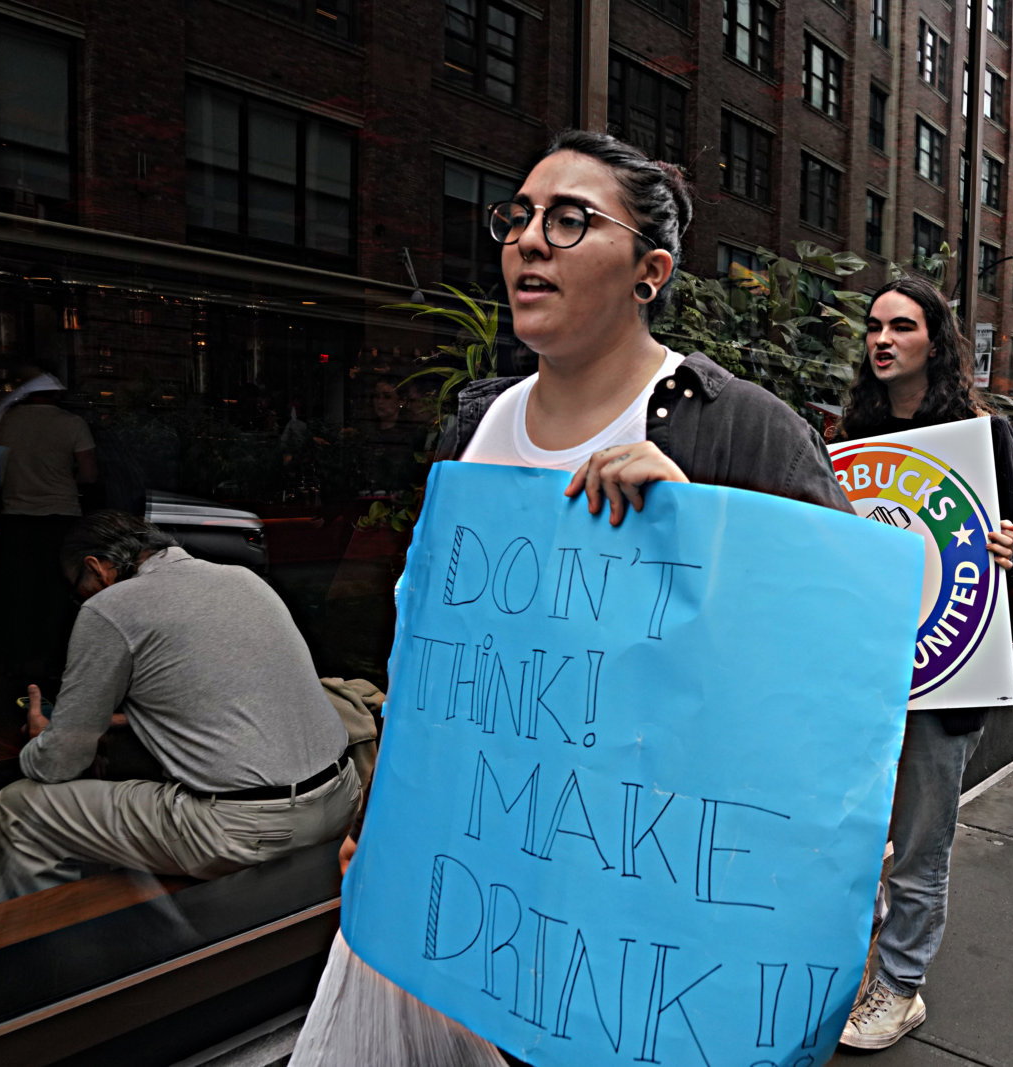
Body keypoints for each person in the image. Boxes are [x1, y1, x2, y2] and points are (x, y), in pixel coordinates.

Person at [289, 130, 854, 1067]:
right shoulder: (479, 422)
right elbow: (436, 660)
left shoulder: (738, 429)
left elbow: (835, 657)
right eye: (518, 218)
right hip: (470, 886)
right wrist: (378, 820)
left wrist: (703, 533)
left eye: (570, 219)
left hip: (635, 922)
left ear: (651, 270)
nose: (529, 241)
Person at [834, 274, 1013, 1051]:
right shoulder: (850, 437)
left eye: (902, 327)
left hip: (945, 679)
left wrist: (1008, 552)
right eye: (875, 326)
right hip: (865, 677)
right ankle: (859, 961)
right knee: (854, 831)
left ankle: (902, 983)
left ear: (935, 341)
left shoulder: (985, 437)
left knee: (921, 840)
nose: (882, 339)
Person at [0, 511, 360, 903]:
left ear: (96, 569)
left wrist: (40, 743)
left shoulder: (110, 606)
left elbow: (63, 760)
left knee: (18, 807)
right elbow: (223, 693)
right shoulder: (242, 578)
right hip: (341, 800)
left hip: (246, 828)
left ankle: (42, 948)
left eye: (78, 589)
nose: (82, 599)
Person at [0, 372, 98, 694]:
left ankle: (16, 664)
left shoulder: (6, 422)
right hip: (60, 517)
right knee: (56, 595)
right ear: (57, 393)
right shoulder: (72, 423)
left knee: (18, 594)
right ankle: (52, 664)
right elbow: (89, 475)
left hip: (16, 517)